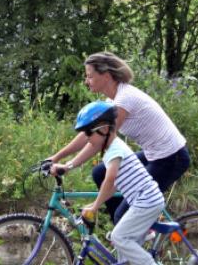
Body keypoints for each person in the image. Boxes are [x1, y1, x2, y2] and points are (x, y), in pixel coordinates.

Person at [48, 51, 190, 224]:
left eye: (90, 76)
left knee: (123, 216)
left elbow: (97, 143)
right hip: (154, 154)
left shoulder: (124, 99)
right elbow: (88, 135)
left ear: (106, 76)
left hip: (171, 157)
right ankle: (126, 232)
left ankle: (135, 231)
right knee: (99, 173)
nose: (86, 81)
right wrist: (56, 157)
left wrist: (69, 166)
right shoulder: (112, 102)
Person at [55, 101, 164, 265]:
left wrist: (95, 206)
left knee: (118, 237)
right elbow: (114, 186)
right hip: (143, 201)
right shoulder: (112, 149)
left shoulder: (114, 150)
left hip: (146, 201)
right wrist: (96, 202)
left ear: (104, 129)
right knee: (124, 253)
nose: (86, 138)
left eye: (88, 133)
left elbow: (110, 179)